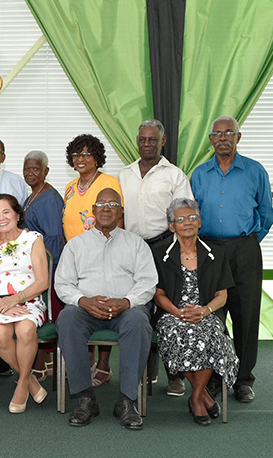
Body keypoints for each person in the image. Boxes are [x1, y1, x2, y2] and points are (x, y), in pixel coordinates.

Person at [55, 189, 156, 429]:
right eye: (101, 203)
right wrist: (83, 301)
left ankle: (127, 400)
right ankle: (85, 398)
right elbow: (63, 283)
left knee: (139, 322)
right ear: (93, 210)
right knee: (67, 318)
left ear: (121, 211)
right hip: (86, 309)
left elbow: (147, 282)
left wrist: (127, 301)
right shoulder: (76, 245)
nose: (106, 208)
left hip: (125, 308)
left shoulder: (136, 244)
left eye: (112, 204)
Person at [191, 115, 273, 404]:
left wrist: (247, 243)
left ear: (238, 137)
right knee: (211, 318)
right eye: (217, 133)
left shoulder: (255, 171)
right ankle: (214, 378)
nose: (223, 138)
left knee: (246, 315)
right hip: (210, 250)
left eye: (229, 133)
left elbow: (266, 215)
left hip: (245, 250)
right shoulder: (199, 174)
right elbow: (192, 216)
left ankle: (243, 380)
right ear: (211, 139)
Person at [118, 119, 193, 396]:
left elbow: (185, 215)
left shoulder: (174, 175)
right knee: (138, 308)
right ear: (136, 141)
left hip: (165, 247)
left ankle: (175, 375)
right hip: (132, 248)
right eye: (142, 139)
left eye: (152, 139)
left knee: (167, 307)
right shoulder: (123, 175)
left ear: (162, 141)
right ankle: (145, 371)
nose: (146, 144)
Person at [152, 198, 239, 426]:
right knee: (179, 334)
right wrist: (178, 313)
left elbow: (222, 295)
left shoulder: (216, 254)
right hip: (172, 314)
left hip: (206, 313)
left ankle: (196, 397)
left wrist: (204, 310)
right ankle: (203, 397)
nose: (187, 223)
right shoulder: (159, 253)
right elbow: (158, 294)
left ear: (199, 222)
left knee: (209, 333)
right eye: (180, 219)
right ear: (172, 226)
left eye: (191, 217)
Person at [63, 134, 123, 388]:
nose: (81, 159)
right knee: (83, 307)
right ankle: (86, 363)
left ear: (97, 157)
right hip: (76, 256)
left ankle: (104, 365)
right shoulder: (69, 187)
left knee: (104, 302)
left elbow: (117, 219)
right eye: (76, 154)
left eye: (87, 154)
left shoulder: (109, 183)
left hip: (104, 252)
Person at [0, 194, 48, 413]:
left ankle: (21, 386)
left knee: (26, 329)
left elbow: (43, 281)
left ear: (17, 214)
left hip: (29, 300)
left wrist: (16, 299)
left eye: (6, 212)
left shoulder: (33, 239)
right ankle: (29, 380)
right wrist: (1, 305)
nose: (1, 218)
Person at [20, 150, 65, 379]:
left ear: (46, 171)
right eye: (27, 169)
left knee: (49, 316)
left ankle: (49, 362)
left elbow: (54, 238)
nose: (30, 173)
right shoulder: (32, 196)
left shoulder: (49, 199)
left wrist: (48, 272)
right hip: (35, 268)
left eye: (36, 169)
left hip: (49, 269)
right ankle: (43, 361)